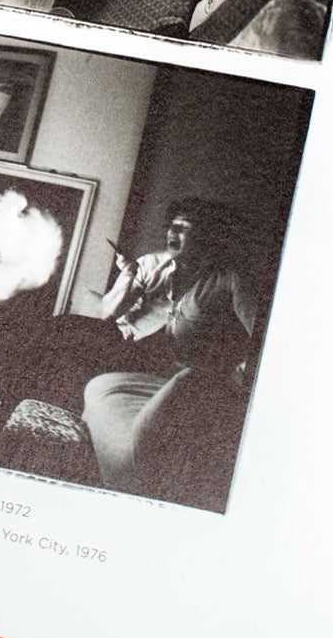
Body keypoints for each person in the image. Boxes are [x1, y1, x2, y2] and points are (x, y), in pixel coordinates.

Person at [82, 198, 259, 508]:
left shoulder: (229, 279)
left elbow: (260, 338)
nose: (172, 234)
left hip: (187, 377)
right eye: (171, 227)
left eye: (183, 228)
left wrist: (239, 375)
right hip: (137, 360)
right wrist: (129, 275)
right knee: (76, 348)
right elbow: (105, 313)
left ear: (207, 235)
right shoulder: (151, 264)